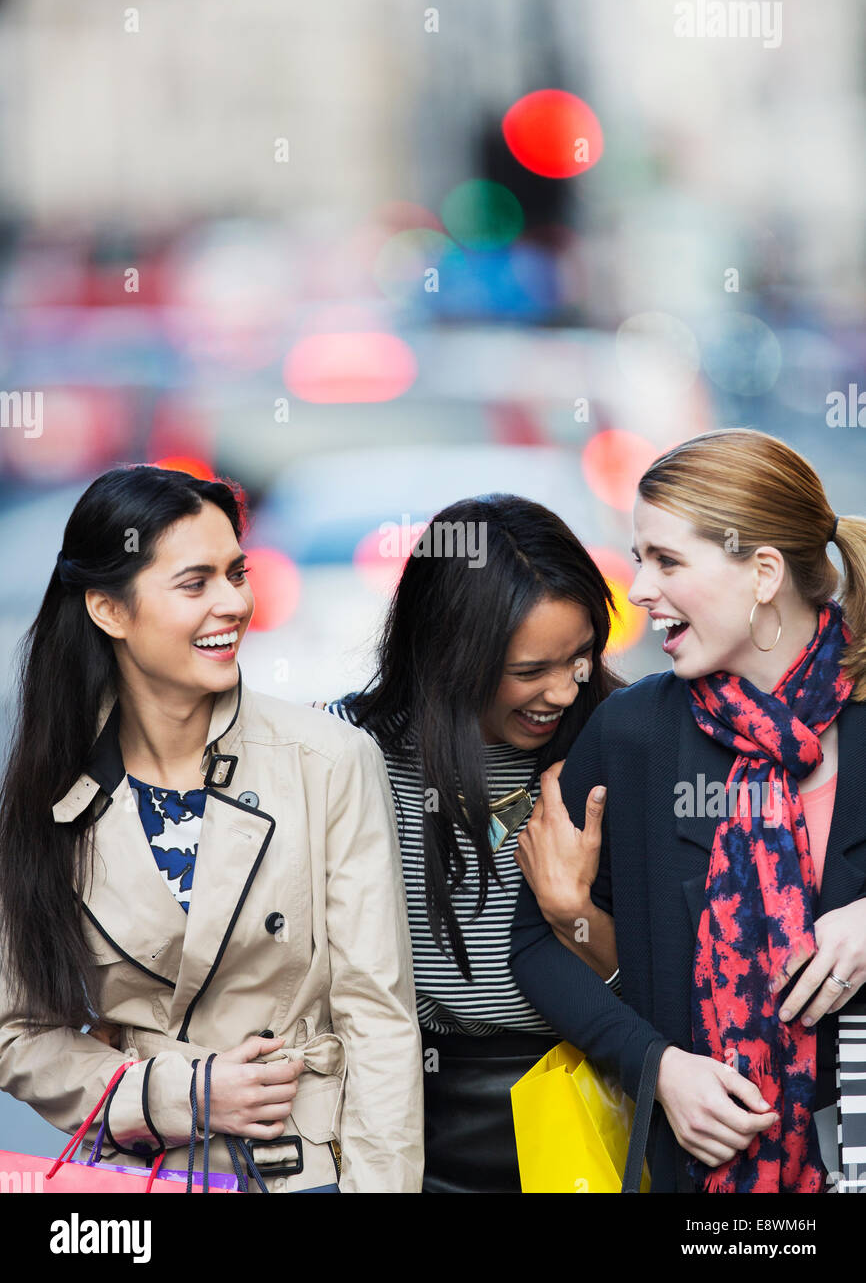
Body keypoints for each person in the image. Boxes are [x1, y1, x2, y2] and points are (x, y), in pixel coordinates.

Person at [0, 465, 423, 1193]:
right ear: (109, 610)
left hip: (305, 1169)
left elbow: (378, 1016)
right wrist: (178, 1094)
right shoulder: (51, 790)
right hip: (143, 1179)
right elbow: (16, 1033)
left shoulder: (328, 760)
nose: (233, 604)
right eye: (195, 584)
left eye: (237, 573)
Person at [511, 428, 866, 1193]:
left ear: (763, 572)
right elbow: (534, 948)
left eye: (667, 560)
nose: (638, 589)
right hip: (697, 1185)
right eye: (640, 558)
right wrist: (657, 1067)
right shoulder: (633, 732)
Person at [313, 492, 622, 1191]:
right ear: (449, 653)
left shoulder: (622, 743)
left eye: (579, 659)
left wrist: (571, 910)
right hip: (392, 1119)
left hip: (586, 1105)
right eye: (528, 672)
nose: (564, 692)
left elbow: (671, 995)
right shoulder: (342, 753)